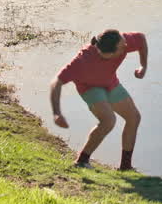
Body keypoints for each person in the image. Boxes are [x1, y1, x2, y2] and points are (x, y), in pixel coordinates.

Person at [49, 29, 148, 170]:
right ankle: (82, 161)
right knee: (108, 120)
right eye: (122, 47)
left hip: (110, 83)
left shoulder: (122, 41)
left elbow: (141, 39)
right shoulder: (82, 61)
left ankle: (125, 167)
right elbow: (56, 82)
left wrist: (143, 65)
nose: (126, 46)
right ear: (110, 53)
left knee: (134, 118)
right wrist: (57, 113)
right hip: (89, 88)